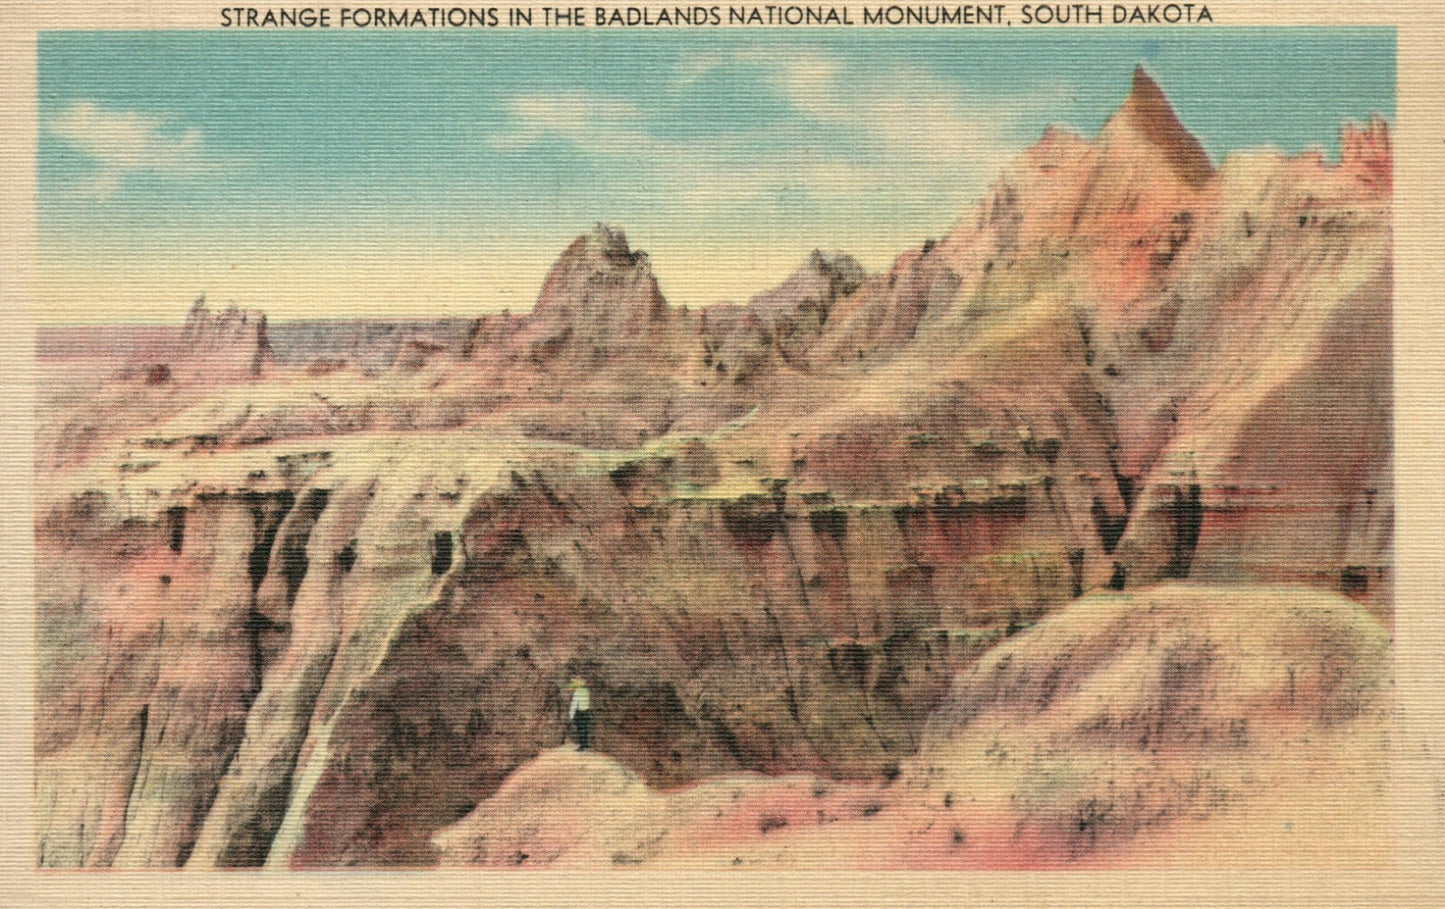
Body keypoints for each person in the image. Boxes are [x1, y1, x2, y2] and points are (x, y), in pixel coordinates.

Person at [567, 676, 593, 751]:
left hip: (580, 713)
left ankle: (582, 746)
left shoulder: (577, 693)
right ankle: (586, 744)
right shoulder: (586, 691)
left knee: (580, 729)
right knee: (585, 729)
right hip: (587, 712)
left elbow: (574, 704)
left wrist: (571, 715)